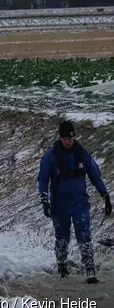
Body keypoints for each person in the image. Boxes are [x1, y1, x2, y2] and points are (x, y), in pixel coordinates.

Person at [38, 120, 112, 284]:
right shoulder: (50, 157)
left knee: (84, 235)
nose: (69, 141)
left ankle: (90, 268)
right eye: (66, 138)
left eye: (71, 138)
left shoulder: (82, 154)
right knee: (62, 238)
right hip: (60, 204)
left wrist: (105, 196)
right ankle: (62, 266)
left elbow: (95, 175)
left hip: (80, 202)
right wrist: (44, 200)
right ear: (60, 138)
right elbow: (42, 179)